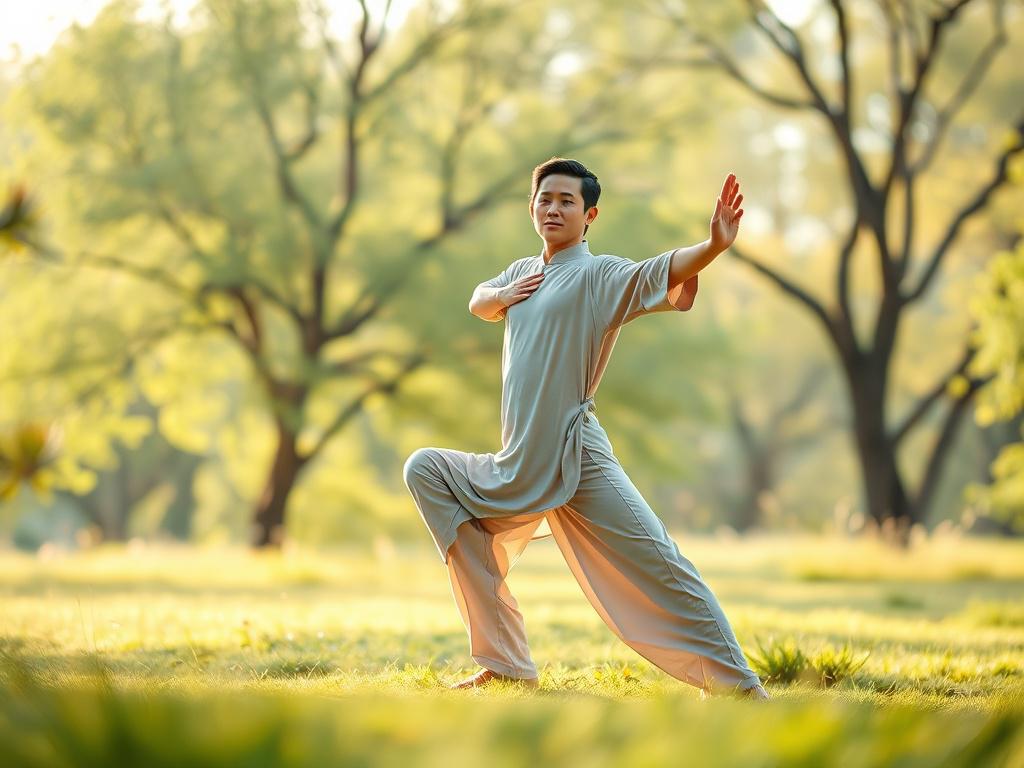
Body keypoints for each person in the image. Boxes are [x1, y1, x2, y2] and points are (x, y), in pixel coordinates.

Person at [403, 157, 769, 701]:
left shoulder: (596, 276)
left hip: (577, 458)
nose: (553, 208)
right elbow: (477, 301)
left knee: (660, 562)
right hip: (518, 460)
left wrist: (713, 247)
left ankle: (739, 687)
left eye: (566, 201)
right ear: (532, 207)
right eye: (544, 199)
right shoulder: (519, 273)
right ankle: (505, 664)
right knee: (425, 469)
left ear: (589, 214)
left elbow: (660, 270)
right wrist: (501, 299)